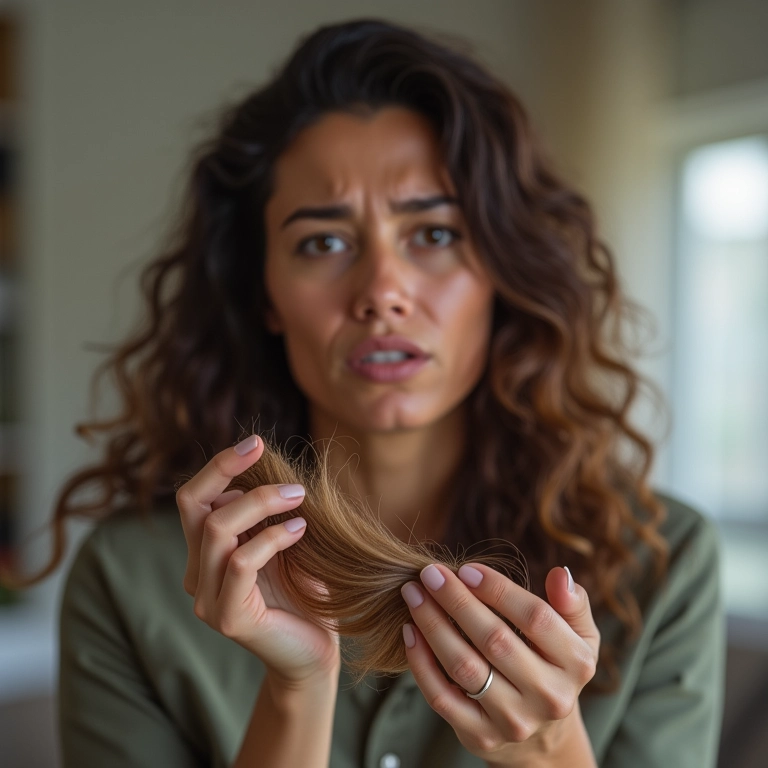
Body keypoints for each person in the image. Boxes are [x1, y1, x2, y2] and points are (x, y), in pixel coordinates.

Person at [30, 17, 724, 768]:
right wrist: (296, 690)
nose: (382, 292)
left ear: (500, 270)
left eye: (433, 235)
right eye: (323, 242)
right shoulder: (130, 581)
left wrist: (549, 750)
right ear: (264, 292)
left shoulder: (663, 565)